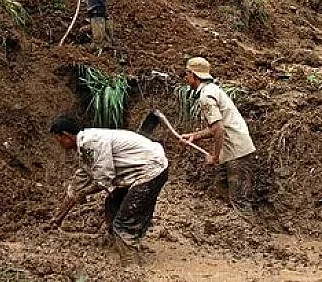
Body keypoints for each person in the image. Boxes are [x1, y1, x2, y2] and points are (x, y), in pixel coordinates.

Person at [49, 115, 169, 259]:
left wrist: (85, 192)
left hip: (152, 169)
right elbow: (76, 187)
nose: (58, 143)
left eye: (58, 138)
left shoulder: (92, 143)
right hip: (142, 168)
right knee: (113, 204)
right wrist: (57, 219)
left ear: (66, 136)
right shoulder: (85, 149)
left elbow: (105, 179)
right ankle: (117, 246)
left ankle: (130, 263)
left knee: (123, 224)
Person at [180, 57, 257, 210]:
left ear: (194, 75)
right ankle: (232, 221)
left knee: (239, 201)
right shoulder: (213, 90)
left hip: (236, 151)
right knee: (221, 186)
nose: (186, 77)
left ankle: (245, 223)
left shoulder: (206, 97)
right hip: (233, 149)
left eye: (187, 73)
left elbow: (219, 129)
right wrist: (195, 136)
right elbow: (217, 127)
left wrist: (215, 157)